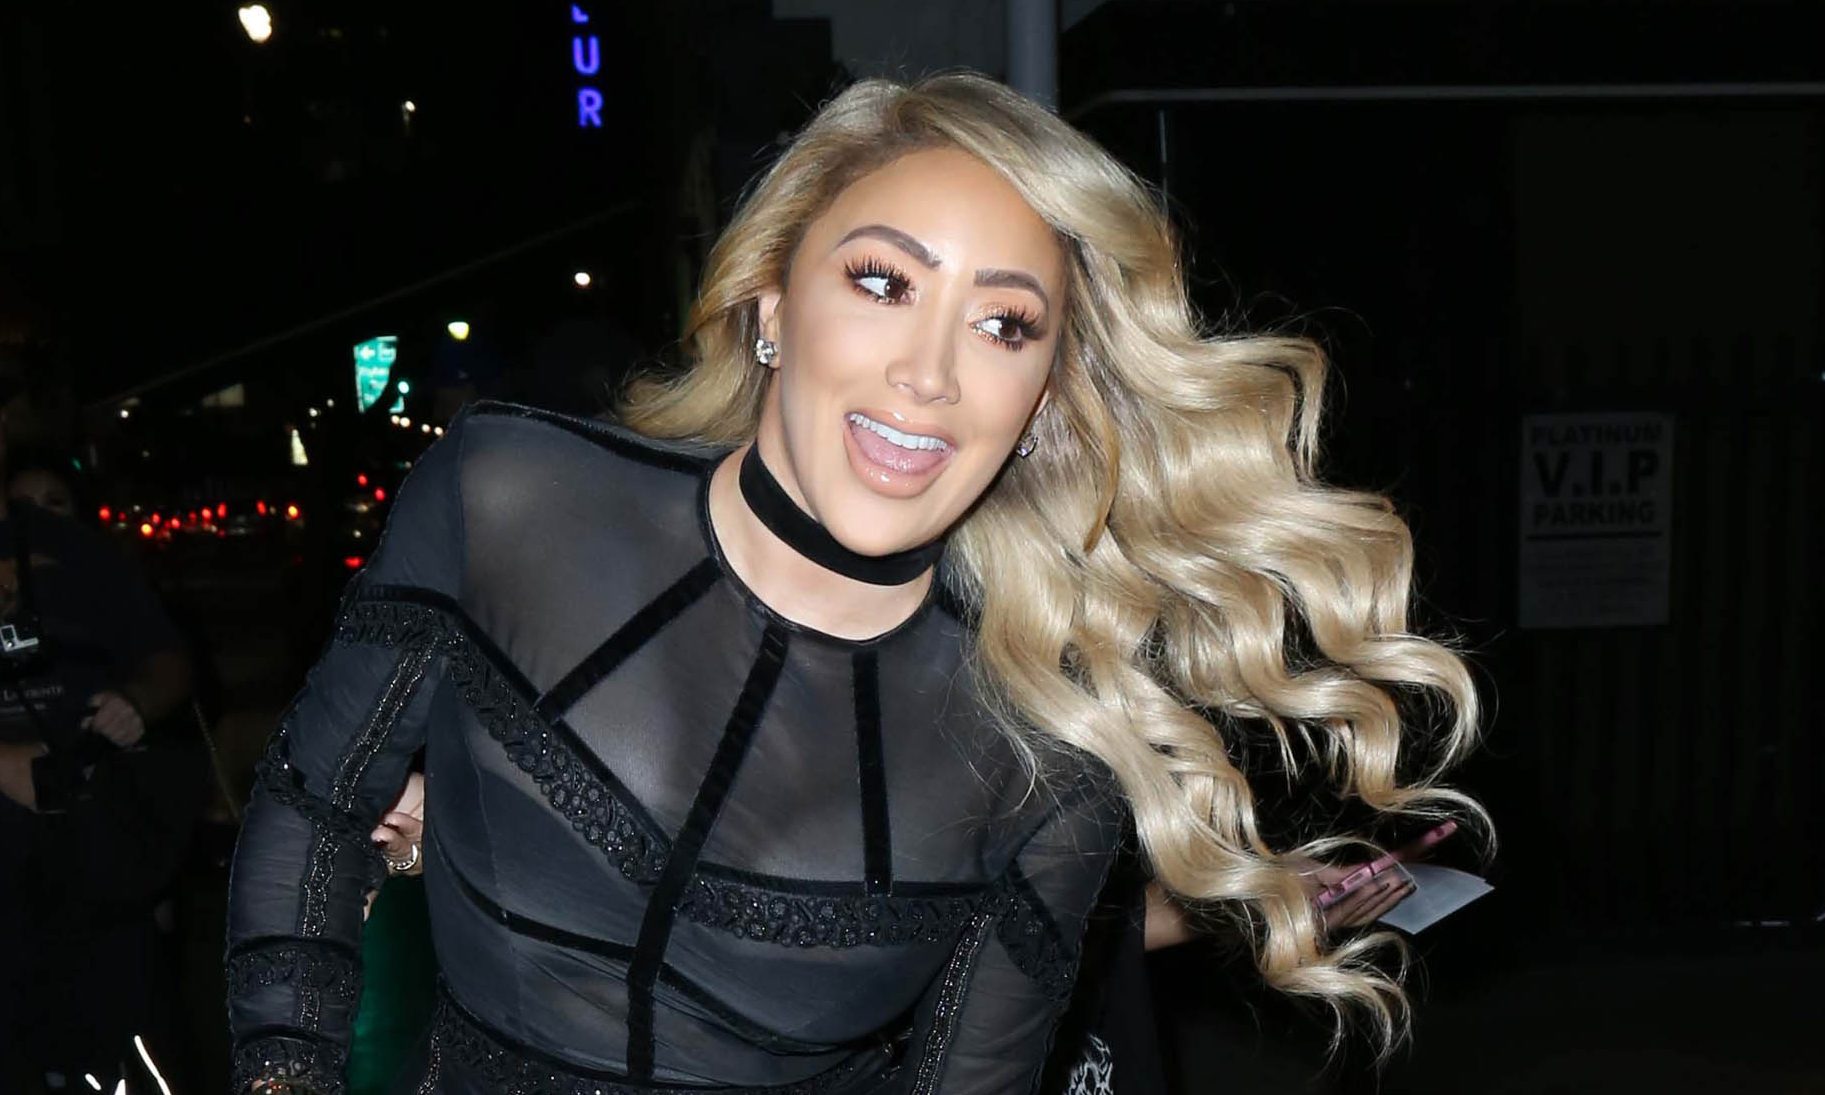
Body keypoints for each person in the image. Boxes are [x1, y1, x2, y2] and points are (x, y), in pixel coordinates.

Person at [226, 73, 1481, 1094]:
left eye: (1003, 326)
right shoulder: (510, 500)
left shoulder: (1044, 758)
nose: (929, 373)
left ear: (1042, 403)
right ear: (772, 302)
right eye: (882, 283)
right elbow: (309, 813)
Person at [0, 401, 202, 1092]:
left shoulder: (81, 555)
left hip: (89, 841)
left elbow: (166, 660)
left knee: (124, 1044)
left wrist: (134, 703)